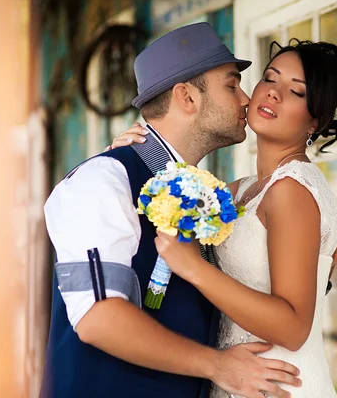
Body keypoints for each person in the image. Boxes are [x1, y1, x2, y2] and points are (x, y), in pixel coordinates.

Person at [41, 23, 302, 398]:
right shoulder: (104, 180)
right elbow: (98, 318)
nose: (246, 99)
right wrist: (219, 366)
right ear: (187, 98)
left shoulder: (201, 193)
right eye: (231, 85)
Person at [112, 39, 337, 397]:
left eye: (296, 92)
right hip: (238, 378)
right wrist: (129, 158)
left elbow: (293, 327)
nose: (274, 94)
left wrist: (194, 267)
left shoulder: (293, 191)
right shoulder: (239, 191)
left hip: (281, 383)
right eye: (270, 79)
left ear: (315, 121)